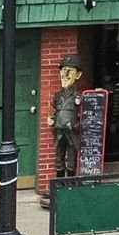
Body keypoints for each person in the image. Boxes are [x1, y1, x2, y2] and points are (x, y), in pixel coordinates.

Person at [52, 54, 84, 185]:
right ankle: (59, 182)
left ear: (78, 75)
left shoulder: (77, 95)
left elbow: (82, 110)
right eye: (63, 70)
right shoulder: (57, 96)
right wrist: (53, 119)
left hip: (71, 131)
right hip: (59, 130)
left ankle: (70, 182)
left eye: (69, 71)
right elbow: (56, 110)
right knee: (59, 156)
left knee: (71, 156)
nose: (65, 74)